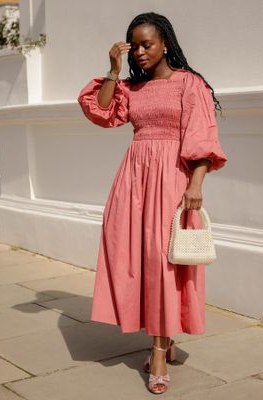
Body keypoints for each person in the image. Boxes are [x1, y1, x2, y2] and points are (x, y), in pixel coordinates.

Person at [78, 11, 227, 395]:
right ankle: (164, 339)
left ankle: (158, 353)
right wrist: (113, 70)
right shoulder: (132, 87)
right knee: (139, 261)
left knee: (164, 264)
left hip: (173, 179)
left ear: (165, 44)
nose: (141, 52)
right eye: (136, 46)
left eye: (148, 44)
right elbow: (101, 112)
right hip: (134, 179)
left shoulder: (188, 84)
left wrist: (196, 184)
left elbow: (202, 137)